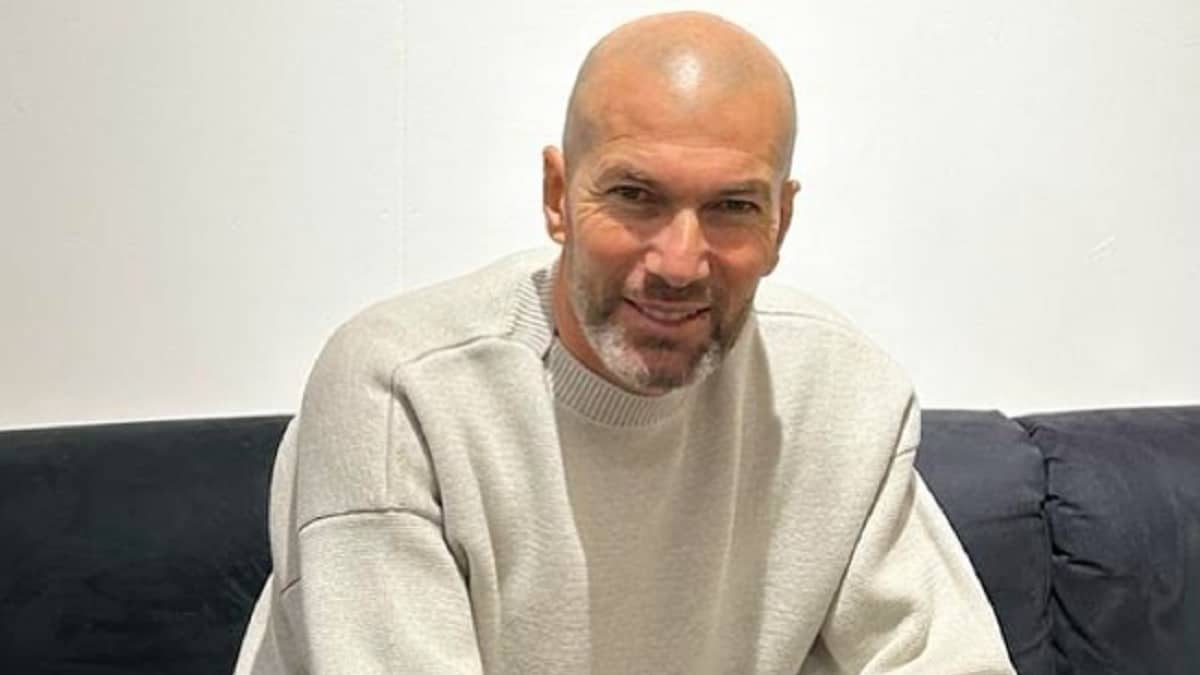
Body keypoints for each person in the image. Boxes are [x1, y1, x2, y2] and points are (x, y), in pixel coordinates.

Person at [235, 11, 1015, 674]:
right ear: (557, 196)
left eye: (733, 207)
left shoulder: (840, 396)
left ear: (781, 222)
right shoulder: (398, 391)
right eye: (636, 195)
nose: (679, 261)